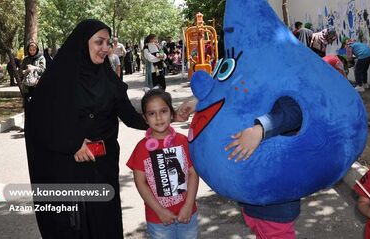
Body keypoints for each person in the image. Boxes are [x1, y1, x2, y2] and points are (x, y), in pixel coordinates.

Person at [24, 19, 149, 238]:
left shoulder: (108, 77)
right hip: (68, 169)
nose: (105, 48)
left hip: (103, 167)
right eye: (99, 42)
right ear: (83, 43)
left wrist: (165, 116)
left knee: (104, 223)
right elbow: (39, 118)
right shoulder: (59, 78)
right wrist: (72, 142)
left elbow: (128, 115)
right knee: (74, 226)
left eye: (108, 43)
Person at [177, 96, 303, 238]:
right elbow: (234, 94)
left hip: (274, 198)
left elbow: (294, 111)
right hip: (251, 195)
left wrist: (260, 129)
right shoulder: (250, 77)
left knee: (274, 233)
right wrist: (203, 104)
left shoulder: (277, 81)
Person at [127, 89, 199, 239]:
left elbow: (193, 173)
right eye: (152, 113)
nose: (159, 118)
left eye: (163, 111)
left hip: (187, 214)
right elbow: (140, 183)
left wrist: (188, 205)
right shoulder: (141, 148)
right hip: (158, 219)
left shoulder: (183, 141)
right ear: (145, 119)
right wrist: (159, 210)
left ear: (172, 113)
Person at [20, 42, 46, 107]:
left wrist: (34, 68)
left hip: (37, 83)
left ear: (36, 49)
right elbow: (21, 70)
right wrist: (25, 71)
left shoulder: (41, 58)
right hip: (27, 84)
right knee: (27, 103)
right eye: (30, 50)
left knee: (36, 103)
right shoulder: (26, 59)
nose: (32, 51)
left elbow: (43, 70)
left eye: (33, 50)